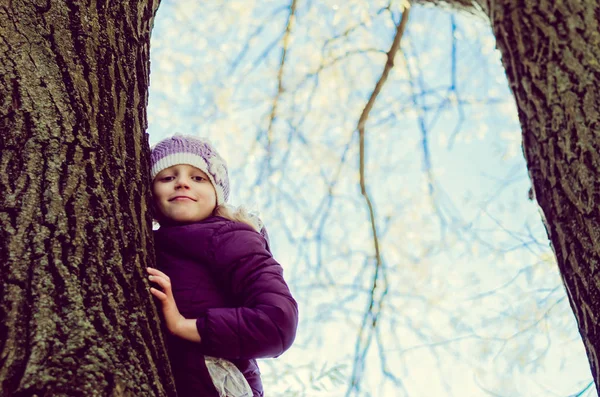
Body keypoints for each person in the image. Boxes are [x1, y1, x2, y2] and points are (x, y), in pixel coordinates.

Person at [146, 134, 298, 396]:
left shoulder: (231, 237)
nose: (182, 183)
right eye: (168, 177)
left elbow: (276, 322)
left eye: (198, 178)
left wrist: (184, 325)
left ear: (216, 194)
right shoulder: (149, 243)